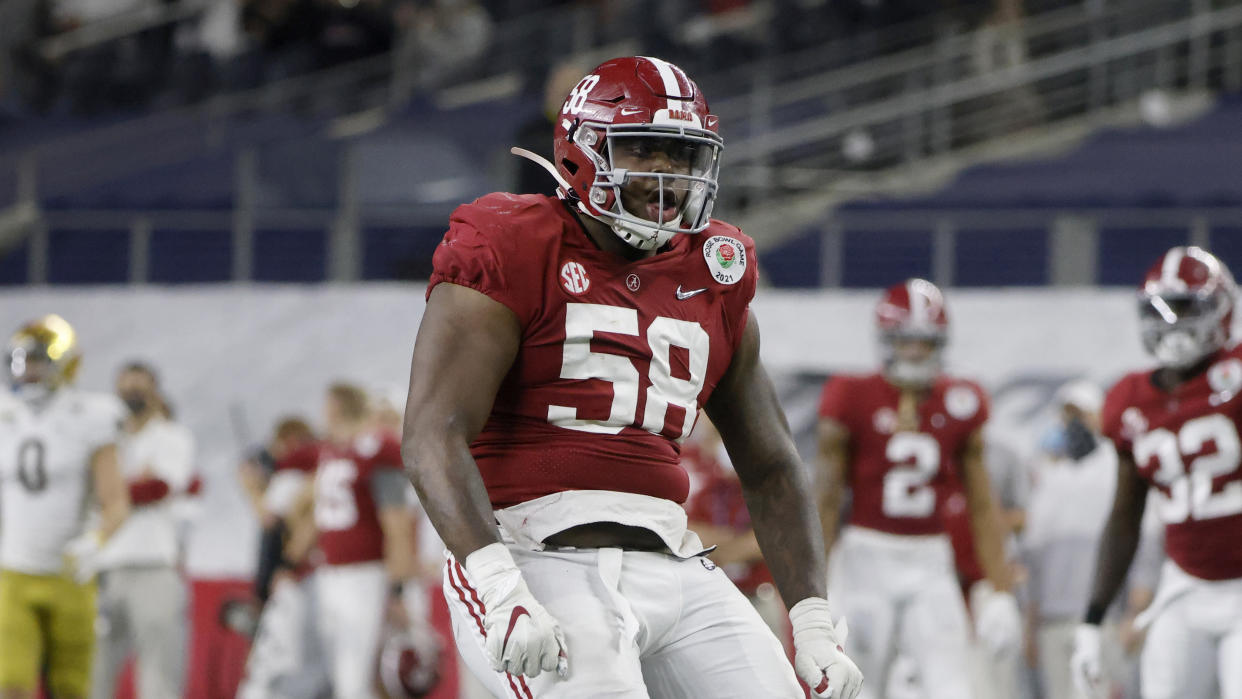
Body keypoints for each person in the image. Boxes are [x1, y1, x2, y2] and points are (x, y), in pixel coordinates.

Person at [403, 55, 863, 699]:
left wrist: (812, 620)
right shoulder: (512, 243)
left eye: (683, 155)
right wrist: (498, 583)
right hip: (534, 552)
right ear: (581, 152)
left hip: (675, 559)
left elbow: (771, 463)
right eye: (645, 149)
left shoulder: (712, 272)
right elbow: (432, 434)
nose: (668, 174)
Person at [816, 279, 1019, 699]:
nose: (915, 352)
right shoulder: (851, 395)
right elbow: (826, 497)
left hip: (931, 559)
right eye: (906, 341)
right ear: (887, 340)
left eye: (924, 342)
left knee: (953, 687)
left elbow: (983, 504)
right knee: (852, 686)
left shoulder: (961, 400)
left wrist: (1000, 591)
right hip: (864, 557)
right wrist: (817, 586)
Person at [1071, 245, 1242, 699]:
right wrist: (1093, 619)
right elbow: (1125, 516)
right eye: (1160, 310)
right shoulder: (1131, 400)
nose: (1173, 323)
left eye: (1186, 307)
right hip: (1184, 586)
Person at [0, 315, 130, 699]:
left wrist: (97, 541)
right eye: (23, 362)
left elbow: (116, 501)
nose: (29, 372)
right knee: (11, 685)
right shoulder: (5, 414)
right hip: (13, 572)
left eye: (38, 361)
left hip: (69, 572)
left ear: (65, 363)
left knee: (71, 689)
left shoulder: (90, 415)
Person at [283, 383, 417, 699]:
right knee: (336, 671)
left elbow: (397, 524)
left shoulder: (375, 447)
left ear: (337, 407)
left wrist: (399, 589)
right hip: (330, 572)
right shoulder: (333, 451)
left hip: (366, 574)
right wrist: (291, 562)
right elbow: (318, 514)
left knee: (357, 675)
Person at [89, 362, 195, 699]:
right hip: (103, 568)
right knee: (92, 672)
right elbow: (90, 492)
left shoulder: (172, 436)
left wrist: (112, 490)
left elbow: (158, 489)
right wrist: (127, 485)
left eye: (140, 386)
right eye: (126, 387)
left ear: (155, 391)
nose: (132, 394)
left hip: (154, 565)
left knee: (160, 675)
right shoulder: (103, 440)